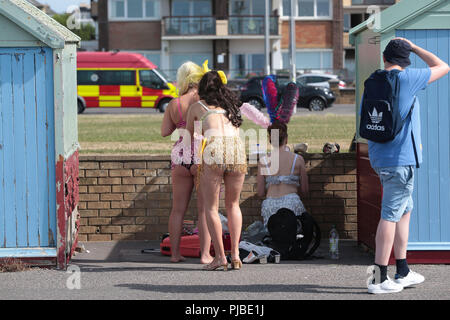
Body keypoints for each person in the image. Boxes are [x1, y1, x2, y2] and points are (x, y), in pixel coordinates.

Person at [364, 38, 449, 294]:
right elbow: (443, 66)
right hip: (400, 161)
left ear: (385, 58)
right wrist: (415, 47)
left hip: (381, 157)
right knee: (390, 215)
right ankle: (378, 278)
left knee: (404, 210)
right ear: (405, 60)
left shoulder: (374, 80)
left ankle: (402, 271)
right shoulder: (407, 78)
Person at [186, 71, 247, 271]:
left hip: (214, 149)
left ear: (202, 89)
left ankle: (220, 257)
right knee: (233, 204)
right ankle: (236, 255)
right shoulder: (230, 108)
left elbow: (190, 138)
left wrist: (194, 160)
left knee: (211, 208)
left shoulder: (197, 107)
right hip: (237, 149)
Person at [160, 61, 213, 264]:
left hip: (180, 156)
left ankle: (174, 254)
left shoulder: (174, 103)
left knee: (178, 209)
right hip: (201, 155)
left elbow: (165, 132)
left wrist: (180, 124)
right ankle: (205, 254)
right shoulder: (204, 101)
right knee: (204, 209)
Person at [256, 121, 309, 228]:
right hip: (291, 203)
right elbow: (304, 191)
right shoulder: (297, 159)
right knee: (293, 235)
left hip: (270, 206)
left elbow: (260, 193)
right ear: (286, 138)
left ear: (271, 140)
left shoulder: (263, 161)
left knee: (274, 236)